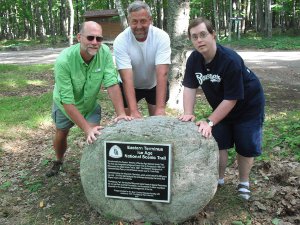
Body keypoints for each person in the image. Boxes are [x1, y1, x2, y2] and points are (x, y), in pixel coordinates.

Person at [179, 17, 265, 200]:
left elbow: (231, 99)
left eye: (203, 34)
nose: (199, 40)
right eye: (194, 37)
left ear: (213, 35)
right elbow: (189, 86)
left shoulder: (230, 60)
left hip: (248, 105)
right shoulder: (194, 59)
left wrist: (210, 121)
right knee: (219, 140)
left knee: (245, 143)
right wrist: (188, 113)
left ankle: (244, 183)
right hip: (221, 105)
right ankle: (218, 180)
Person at [46, 21, 133, 177]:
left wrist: (120, 113)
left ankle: (93, 171)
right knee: (62, 133)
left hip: (90, 105)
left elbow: (112, 84)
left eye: (98, 39)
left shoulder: (105, 52)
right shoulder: (64, 61)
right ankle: (58, 160)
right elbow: (67, 101)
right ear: (79, 37)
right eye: (90, 38)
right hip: (65, 105)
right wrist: (86, 128)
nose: (95, 42)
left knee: (94, 136)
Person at [113, 0, 171, 118]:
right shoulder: (121, 40)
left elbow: (162, 73)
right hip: (130, 84)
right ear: (129, 21)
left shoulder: (161, 37)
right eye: (134, 22)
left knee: (157, 120)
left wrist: (160, 109)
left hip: (154, 83)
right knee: (129, 121)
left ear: (150, 20)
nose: (139, 26)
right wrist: (134, 111)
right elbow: (126, 78)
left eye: (143, 21)